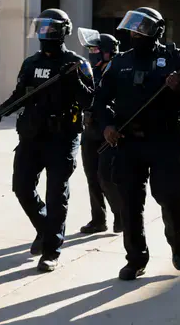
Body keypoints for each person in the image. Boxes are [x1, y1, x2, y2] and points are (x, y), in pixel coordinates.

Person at [93, 7, 180, 281]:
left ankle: (177, 243)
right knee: (130, 202)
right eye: (131, 28)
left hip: (164, 142)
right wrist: (107, 125)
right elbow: (101, 100)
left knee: (168, 197)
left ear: (156, 30)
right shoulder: (119, 62)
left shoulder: (175, 58)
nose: (134, 33)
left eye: (141, 28)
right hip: (128, 142)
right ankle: (136, 259)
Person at [0, 8, 94, 272]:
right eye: (41, 28)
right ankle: (45, 228)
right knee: (21, 188)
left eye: (50, 29)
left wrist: (76, 80)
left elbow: (91, 100)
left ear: (62, 31)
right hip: (32, 136)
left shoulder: (77, 63)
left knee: (56, 194)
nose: (45, 34)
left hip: (62, 138)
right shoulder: (30, 63)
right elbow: (20, 94)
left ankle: (51, 250)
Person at [76, 29, 123, 235]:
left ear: (107, 52)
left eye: (96, 49)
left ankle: (120, 215)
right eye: (91, 49)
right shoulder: (90, 72)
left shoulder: (119, 70)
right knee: (91, 177)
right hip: (90, 131)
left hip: (109, 132)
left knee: (106, 176)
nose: (92, 52)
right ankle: (98, 219)